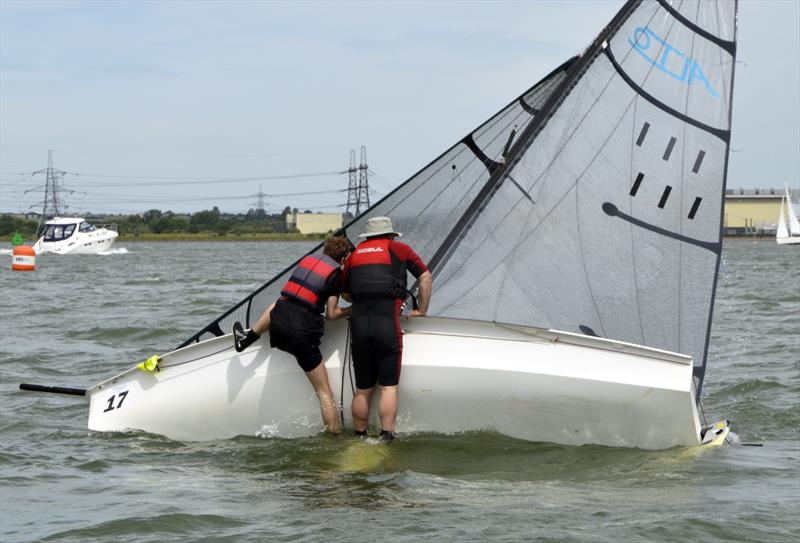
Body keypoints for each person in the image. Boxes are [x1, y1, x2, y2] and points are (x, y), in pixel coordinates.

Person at [232, 235, 352, 435]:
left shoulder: (307, 261)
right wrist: (352, 309)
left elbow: (290, 296)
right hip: (301, 334)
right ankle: (335, 437)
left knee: (281, 301)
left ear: (326, 251)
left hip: (278, 324)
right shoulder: (336, 275)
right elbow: (331, 315)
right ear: (343, 258)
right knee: (324, 392)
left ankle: (248, 339)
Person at [341, 216, 432, 443]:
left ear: (368, 236)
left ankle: (359, 437)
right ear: (391, 234)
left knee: (363, 389)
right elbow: (425, 277)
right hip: (387, 326)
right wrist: (421, 310)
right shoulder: (399, 249)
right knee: (389, 387)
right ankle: (386, 437)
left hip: (360, 327)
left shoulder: (354, 256)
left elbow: (345, 294)